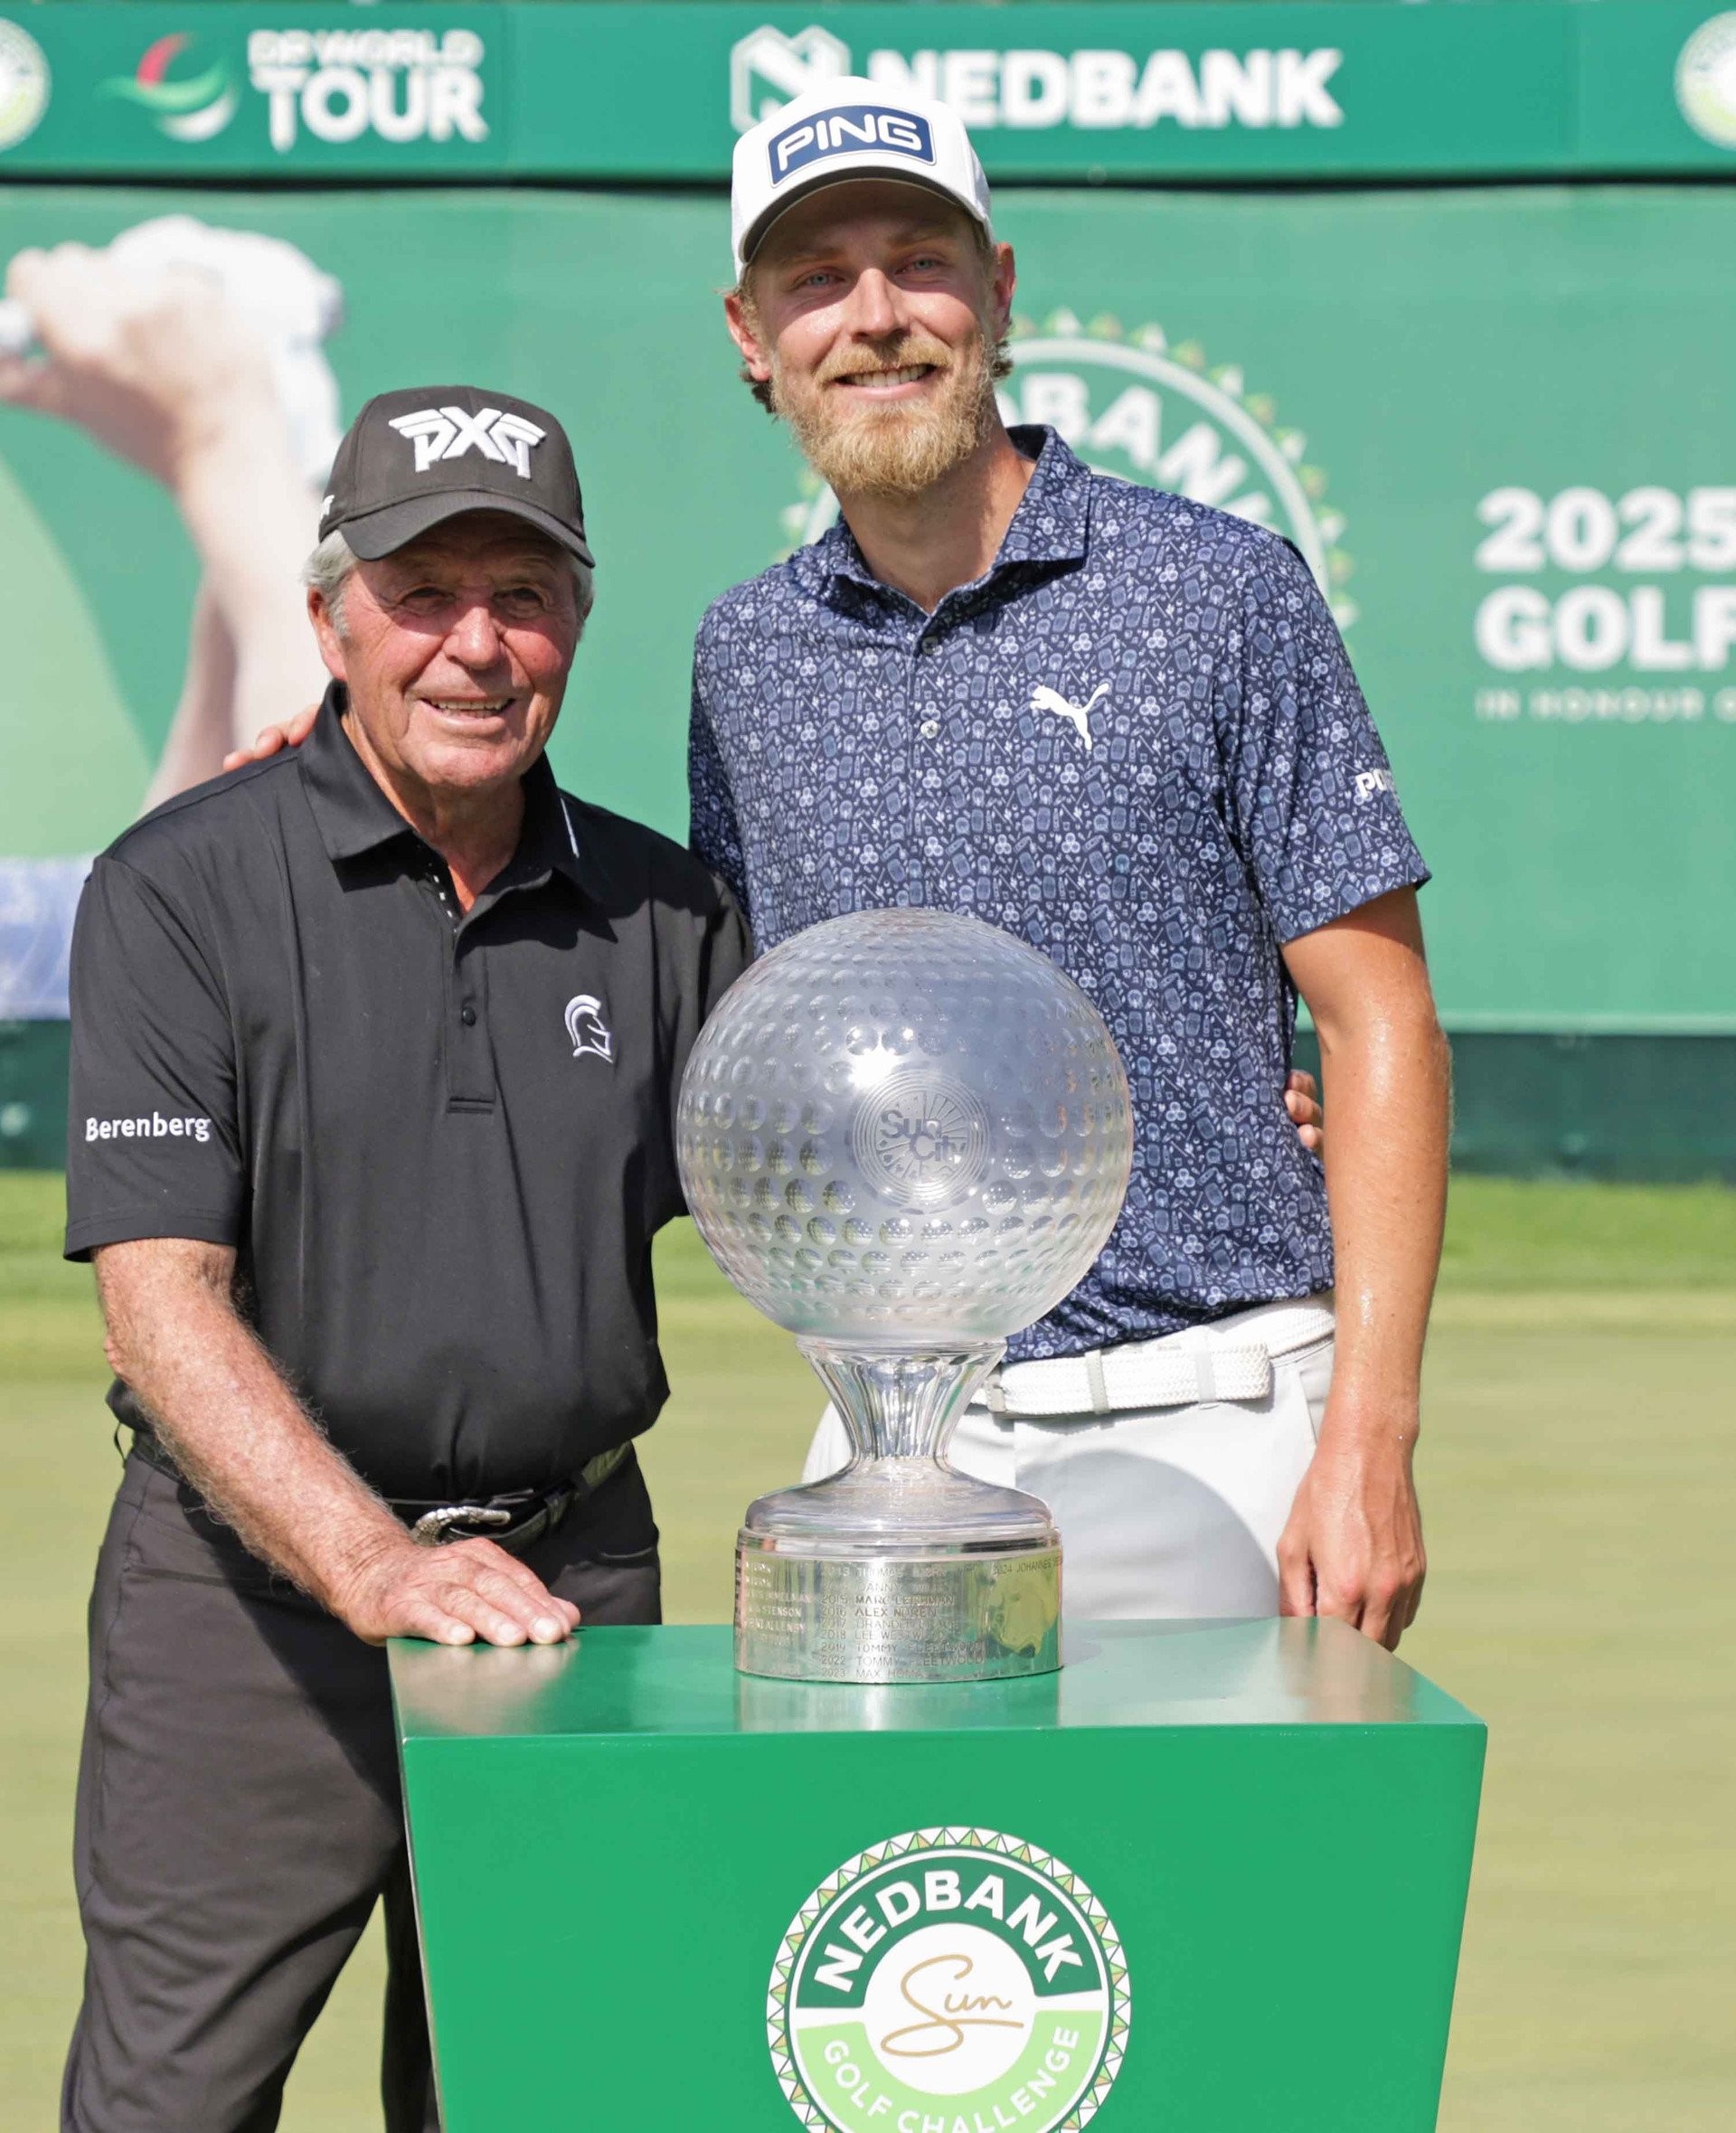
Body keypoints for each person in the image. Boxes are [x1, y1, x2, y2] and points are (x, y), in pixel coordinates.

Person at [61, 383, 749, 2131]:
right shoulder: (180, 888)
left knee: (539, 2099)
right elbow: (157, 1300)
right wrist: (376, 1567)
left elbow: (843, 1182)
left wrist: (1234, 1105)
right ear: (330, 624)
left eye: (523, 595)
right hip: (247, 1617)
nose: (476, 646)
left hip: (569, 1598)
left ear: (577, 622)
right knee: (171, 2105)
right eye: (422, 593)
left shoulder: (669, 913)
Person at [684, 79, 1451, 1647]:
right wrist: (341, 761)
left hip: (1216, 1414)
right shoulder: (745, 655)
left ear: (1001, 290)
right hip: (893, 1441)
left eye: (921, 262)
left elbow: (1378, 1016)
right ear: (752, 334)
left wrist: (1369, 1444)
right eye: (819, 278)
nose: (877, 317)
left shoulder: (1218, 589)